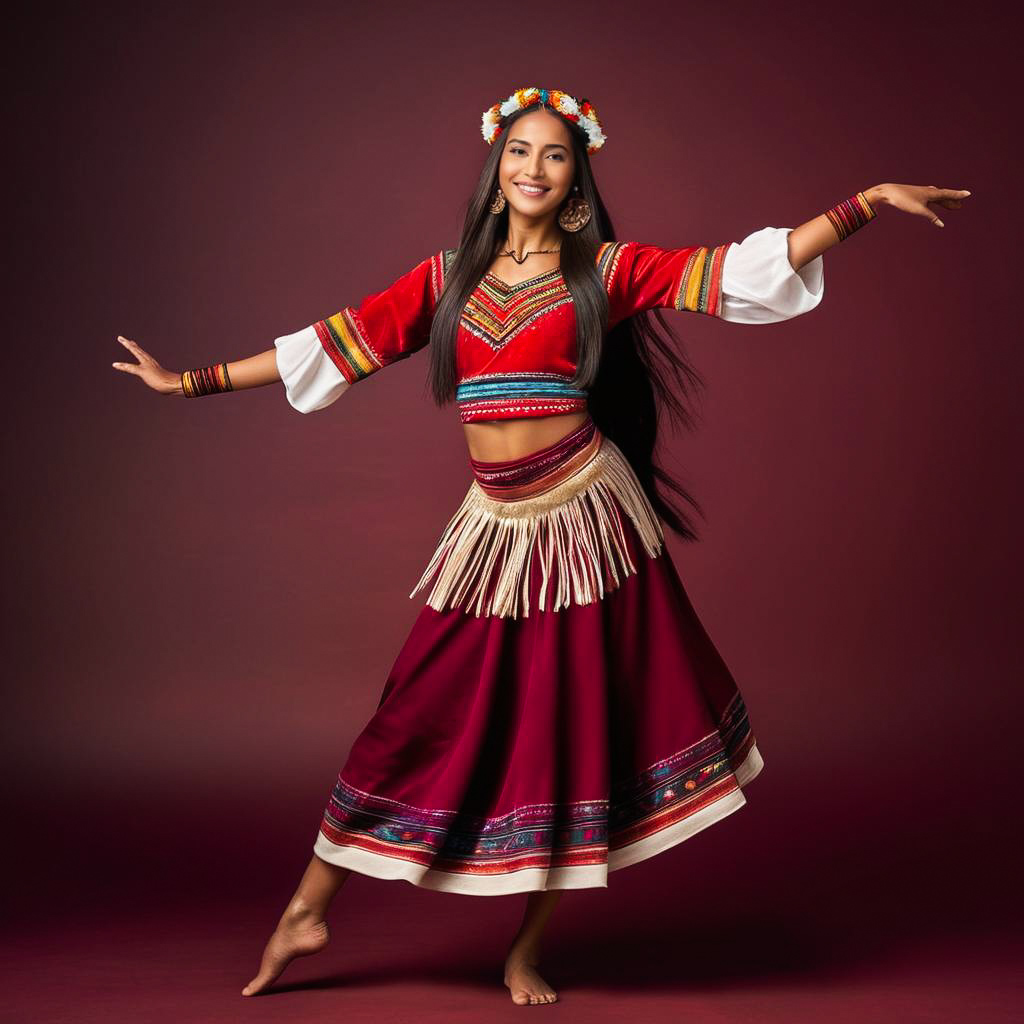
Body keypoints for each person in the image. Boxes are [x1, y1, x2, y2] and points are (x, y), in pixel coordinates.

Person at [112, 85, 971, 1007]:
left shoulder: (607, 269)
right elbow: (335, 344)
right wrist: (189, 383)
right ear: (496, 174)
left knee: (575, 731)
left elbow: (735, 272)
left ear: (575, 180)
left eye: (555, 155)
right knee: (409, 714)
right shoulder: (443, 281)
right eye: (520, 150)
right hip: (494, 532)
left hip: (588, 527)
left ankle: (528, 947)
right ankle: (308, 909)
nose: (534, 166)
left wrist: (864, 206)